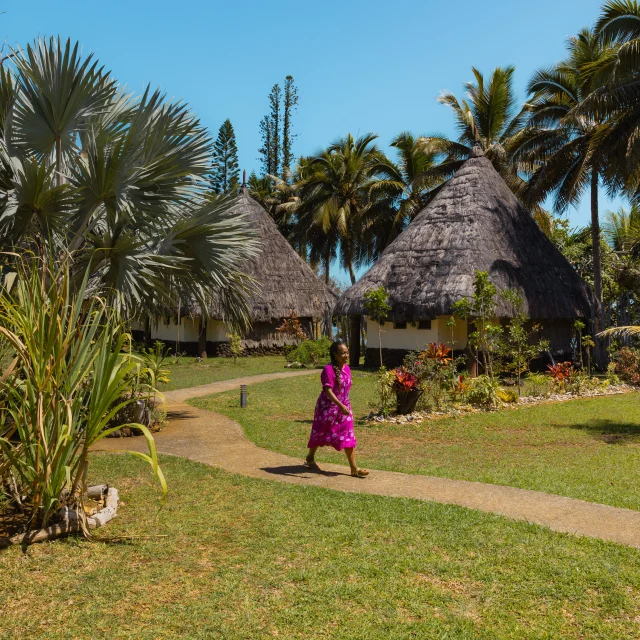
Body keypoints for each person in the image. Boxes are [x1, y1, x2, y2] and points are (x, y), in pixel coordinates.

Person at [305, 340, 369, 478]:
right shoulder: (328, 369)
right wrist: (340, 405)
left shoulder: (347, 368)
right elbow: (328, 391)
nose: (346, 355)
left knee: (348, 435)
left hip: (344, 408)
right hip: (327, 408)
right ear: (335, 355)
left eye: (347, 352)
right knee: (320, 433)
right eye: (342, 353)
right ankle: (310, 457)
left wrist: (345, 406)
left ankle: (354, 468)